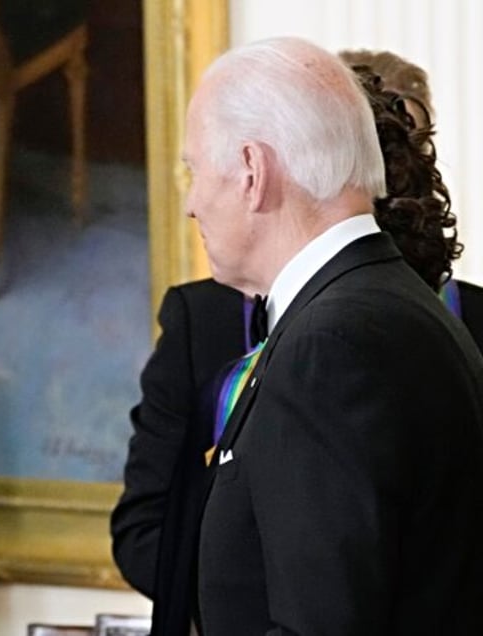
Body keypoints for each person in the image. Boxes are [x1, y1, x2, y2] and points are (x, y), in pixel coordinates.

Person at [113, 38, 483, 635]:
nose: (191, 203)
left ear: (253, 174)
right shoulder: (383, 304)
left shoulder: (330, 344)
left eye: (196, 170)